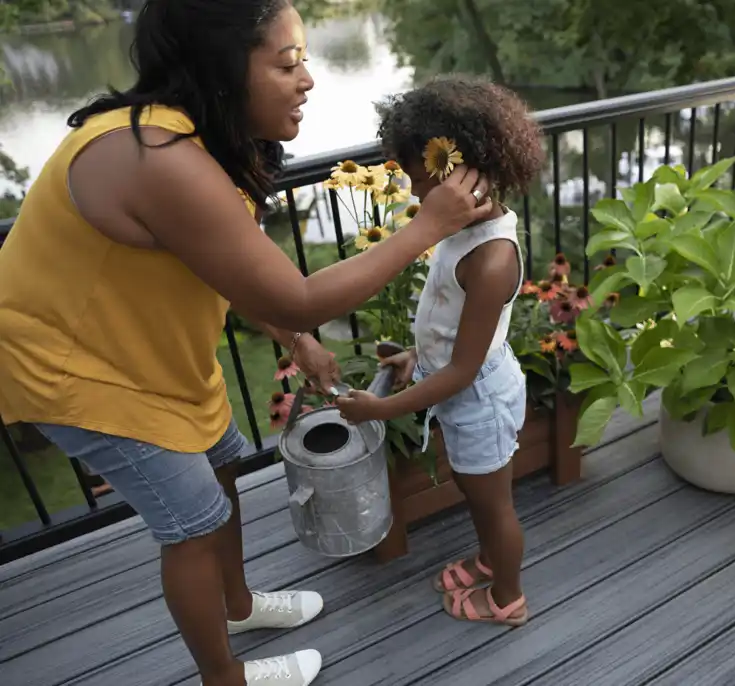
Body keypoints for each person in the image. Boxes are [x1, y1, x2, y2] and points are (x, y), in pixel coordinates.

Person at [0, 2, 495, 685]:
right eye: (288, 63)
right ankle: (223, 677)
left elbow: (230, 270)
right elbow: (293, 293)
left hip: (151, 354)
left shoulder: (197, 145)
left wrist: (296, 340)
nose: (309, 80)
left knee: (223, 467)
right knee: (195, 526)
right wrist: (426, 226)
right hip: (76, 372)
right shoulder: (153, 156)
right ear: (222, 67)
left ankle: (235, 606)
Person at [337, 75, 545, 627]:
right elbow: (448, 324)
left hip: (477, 396)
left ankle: (507, 597)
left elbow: (463, 369)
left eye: (416, 178)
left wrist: (381, 408)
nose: (410, 194)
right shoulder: (460, 231)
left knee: (491, 503)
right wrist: (414, 355)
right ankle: (488, 560)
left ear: (455, 168)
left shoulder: (492, 258)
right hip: (462, 388)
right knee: (478, 496)